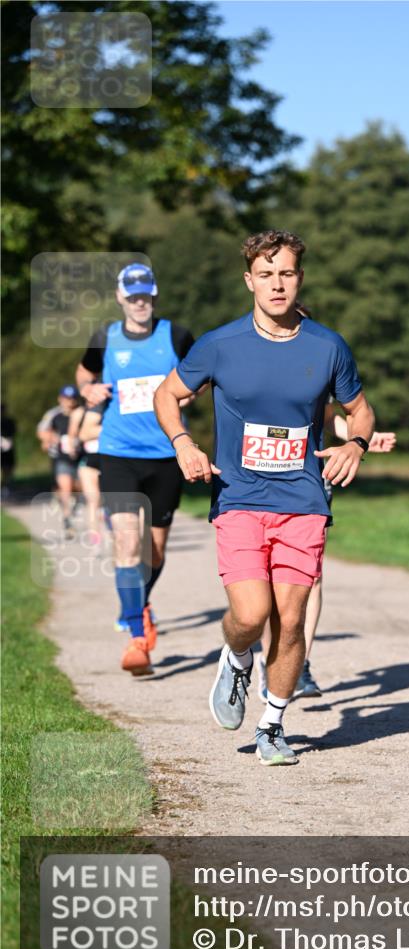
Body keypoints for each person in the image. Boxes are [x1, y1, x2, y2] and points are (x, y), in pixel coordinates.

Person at [154, 229, 375, 765]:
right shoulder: (220, 345)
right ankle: (234, 656)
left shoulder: (328, 346)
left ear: (300, 278)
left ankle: (272, 724)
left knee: (292, 619)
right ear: (249, 280)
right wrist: (184, 444)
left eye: (288, 273)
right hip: (239, 496)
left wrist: (358, 445)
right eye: (267, 274)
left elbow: (360, 410)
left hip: (302, 498)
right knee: (251, 615)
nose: (278, 284)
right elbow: (167, 395)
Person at [75, 263, 194, 675]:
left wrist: (190, 393)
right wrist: (88, 389)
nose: (140, 302)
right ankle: (136, 636)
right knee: (127, 543)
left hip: (165, 454)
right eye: (133, 295)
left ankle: (138, 603)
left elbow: (200, 377)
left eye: (146, 295)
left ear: (154, 296)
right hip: (118, 452)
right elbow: (84, 374)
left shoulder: (176, 336)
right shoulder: (104, 338)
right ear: (120, 298)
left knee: (154, 550)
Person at [257, 405, 397, 701]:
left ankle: (300, 663)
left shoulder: (322, 359)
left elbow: (328, 413)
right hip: (263, 475)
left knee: (311, 575)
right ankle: (270, 661)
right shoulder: (254, 360)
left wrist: (362, 439)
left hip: (312, 478)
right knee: (269, 573)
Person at [36, 385, 80, 539]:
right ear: (60, 399)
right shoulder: (54, 415)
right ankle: (67, 520)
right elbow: (42, 431)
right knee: (65, 487)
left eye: (72, 398)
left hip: (80, 458)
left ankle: (71, 503)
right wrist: (49, 439)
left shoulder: (81, 413)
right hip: (60, 457)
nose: (69, 402)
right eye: (66, 399)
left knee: (77, 488)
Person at [67, 401, 106, 553]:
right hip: (90, 459)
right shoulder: (79, 413)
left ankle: (108, 539)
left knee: (102, 502)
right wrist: (72, 449)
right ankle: (96, 541)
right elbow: (72, 435)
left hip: (108, 459)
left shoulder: (112, 408)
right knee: (93, 501)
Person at [1, 403, 17, 499]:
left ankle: (4, 486)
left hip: (7, 450)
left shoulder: (9, 422)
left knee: (7, 469)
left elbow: (13, 433)